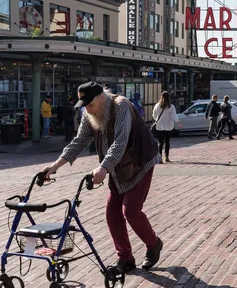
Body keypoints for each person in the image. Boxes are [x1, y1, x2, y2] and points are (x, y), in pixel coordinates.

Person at [44, 82, 162, 273]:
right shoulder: (88, 113)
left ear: (101, 97)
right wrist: (55, 166)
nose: (87, 110)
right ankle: (125, 258)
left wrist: (103, 168)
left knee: (130, 211)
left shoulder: (121, 106)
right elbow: (79, 141)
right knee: (112, 213)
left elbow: (120, 141)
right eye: (85, 106)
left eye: (90, 105)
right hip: (116, 168)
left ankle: (153, 244)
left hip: (140, 162)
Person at [152, 91, 182, 163]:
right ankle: (167, 157)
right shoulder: (171, 107)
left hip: (160, 126)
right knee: (167, 142)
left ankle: (160, 158)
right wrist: (178, 123)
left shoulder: (157, 105)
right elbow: (174, 116)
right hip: (169, 126)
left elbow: (154, 115)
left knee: (160, 143)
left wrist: (157, 119)